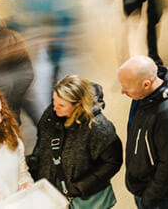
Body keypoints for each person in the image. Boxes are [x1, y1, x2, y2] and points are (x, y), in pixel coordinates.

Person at [28, 75, 123, 207]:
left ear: (78, 103)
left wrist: (80, 187)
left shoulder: (98, 127)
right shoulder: (51, 116)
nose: (54, 108)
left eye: (61, 105)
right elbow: (42, 145)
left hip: (80, 198)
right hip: (52, 195)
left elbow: (112, 162)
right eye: (54, 101)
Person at [119, 56, 168, 209]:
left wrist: (149, 198)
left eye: (126, 87)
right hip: (146, 187)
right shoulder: (144, 95)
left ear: (146, 84)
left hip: (163, 197)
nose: (122, 91)